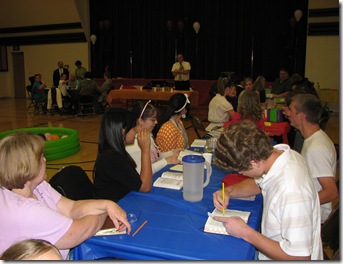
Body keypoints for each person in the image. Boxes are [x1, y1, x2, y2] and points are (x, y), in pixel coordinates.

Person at [0, 133, 131, 260]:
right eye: (40, 157)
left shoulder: (37, 186)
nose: (45, 160)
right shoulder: (26, 211)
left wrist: (107, 204)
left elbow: (71, 208)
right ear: (28, 166)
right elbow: (77, 233)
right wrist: (103, 213)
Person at [212, 120, 323, 260]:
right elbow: (258, 184)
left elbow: (300, 258)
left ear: (254, 163)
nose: (242, 175)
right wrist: (229, 191)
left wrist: (246, 232)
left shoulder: (292, 192)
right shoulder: (279, 156)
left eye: (241, 171)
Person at [283, 93, 338, 223]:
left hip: (314, 216)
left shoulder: (316, 148)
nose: (287, 113)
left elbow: (331, 192)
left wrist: (298, 205)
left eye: (290, 109)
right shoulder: (314, 139)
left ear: (301, 115)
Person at [93, 108, 152, 202]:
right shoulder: (111, 158)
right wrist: (145, 150)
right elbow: (145, 187)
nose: (136, 131)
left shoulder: (114, 152)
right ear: (122, 130)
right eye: (133, 128)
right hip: (112, 209)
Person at [126, 101, 182, 174]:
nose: (156, 122)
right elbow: (140, 172)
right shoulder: (133, 143)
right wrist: (165, 161)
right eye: (153, 120)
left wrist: (171, 153)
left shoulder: (147, 133)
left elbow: (155, 157)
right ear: (140, 121)